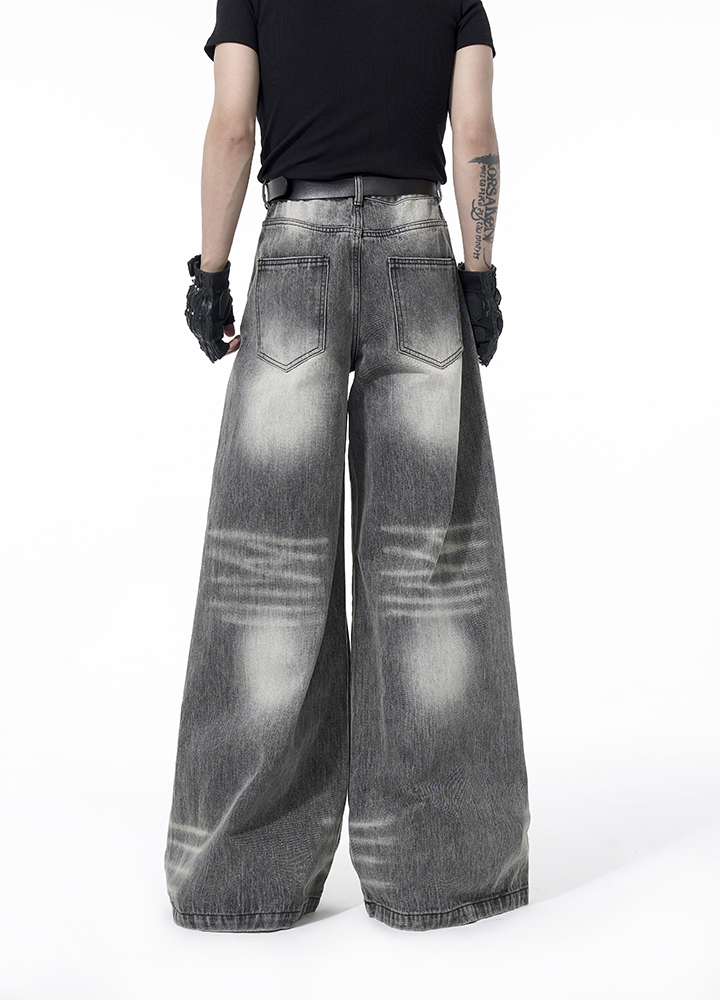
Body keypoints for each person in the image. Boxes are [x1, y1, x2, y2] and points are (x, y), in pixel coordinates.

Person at [164, 0, 530, 933]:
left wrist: (210, 272)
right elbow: (475, 130)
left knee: (268, 566)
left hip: (295, 251)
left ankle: (236, 880)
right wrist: (480, 273)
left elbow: (233, 123)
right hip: (418, 253)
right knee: (430, 565)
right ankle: (446, 874)